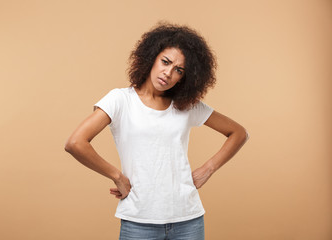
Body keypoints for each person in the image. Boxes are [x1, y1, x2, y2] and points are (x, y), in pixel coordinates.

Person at [64, 22, 249, 240]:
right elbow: (75, 143)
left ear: (185, 77)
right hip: (139, 220)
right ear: (152, 56)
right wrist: (117, 176)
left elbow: (238, 133)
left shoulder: (186, 105)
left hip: (188, 219)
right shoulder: (120, 100)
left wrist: (209, 168)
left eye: (178, 70)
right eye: (165, 62)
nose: (168, 73)